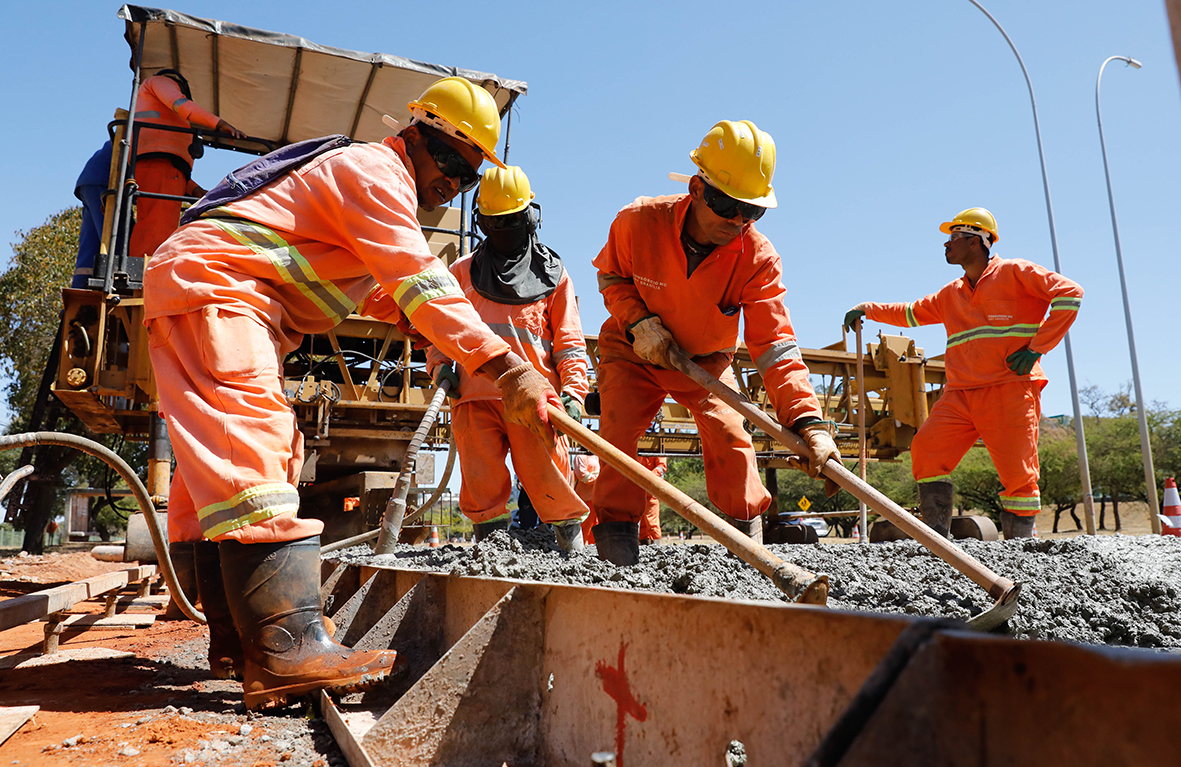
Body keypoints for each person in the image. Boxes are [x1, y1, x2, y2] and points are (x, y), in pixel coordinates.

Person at [143, 76, 563, 711]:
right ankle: (287, 648)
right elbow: (419, 280)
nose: (452, 181)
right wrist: (505, 368)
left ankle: (241, 642)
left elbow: (369, 282)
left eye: (468, 175)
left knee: (224, 471)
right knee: (252, 445)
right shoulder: (374, 172)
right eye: (449, 159)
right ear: (415, 136)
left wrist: (415, 322)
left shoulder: (364, 187)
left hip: (209, 290)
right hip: (218, 291)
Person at [590, 119, 839, 566]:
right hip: (632, 351)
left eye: (753, 211)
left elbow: (775, 342)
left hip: (704, 360)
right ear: (696, 188)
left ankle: (747, 549)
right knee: (618, 435)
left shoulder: (758, 258)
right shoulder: (638, 221)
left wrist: (809, 422)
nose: (738, 221)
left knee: (730, 432)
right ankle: (616, 547)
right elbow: (611, 275)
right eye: (728, 205)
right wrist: (639, 321)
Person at [843, 207, 1083, 539]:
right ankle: (936, 538)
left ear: (976, 241)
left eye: (953, 237)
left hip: (1009, 389)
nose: (946, 244)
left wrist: (1037, 348)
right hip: (960, 395)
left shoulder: (1016, 272)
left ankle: (1021, 550)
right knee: (926, 449)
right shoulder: (951, 293)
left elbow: (1071, 294)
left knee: (1018, 475)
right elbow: (910, 313)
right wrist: (869, 308)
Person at [427, 165, 590, 550]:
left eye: (510, 222)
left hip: (535, 403)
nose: (505, 231)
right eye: (497, 223)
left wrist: (575, 392)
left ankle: (571, 555)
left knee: (551, 481)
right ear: (483, 223)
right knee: (482, 488)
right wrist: (439, 367)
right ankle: (492, 556)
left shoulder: (554, 276)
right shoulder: (461, 273)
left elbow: (568, 342)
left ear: (528, 218)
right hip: (473, 398)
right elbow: (437, 328)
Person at [128, 69, 244, 258]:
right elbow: (181, 105)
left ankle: (149, 262)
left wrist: (196, 191)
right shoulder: (160, 82)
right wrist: (219, 124)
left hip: (164, 167)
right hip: (159, 162)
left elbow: (173, 169)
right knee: (158, 222)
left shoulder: (164, 118)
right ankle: (147, 265)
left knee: (157, 219)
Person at [73, 140, 113, 288]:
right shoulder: (157, 136)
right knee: (117, 239)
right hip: (105, 180)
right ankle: (116, 281)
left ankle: (80, 288)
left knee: (92, 242)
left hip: (92, 179)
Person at [638, 455, 668, 545]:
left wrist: (648, 476)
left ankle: (656, 544)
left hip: (651, 491)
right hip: (639, 490)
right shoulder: (638, 449)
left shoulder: (657, 450)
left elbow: (661, 467)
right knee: (641, 518)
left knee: (652, 520)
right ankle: (644, 543)